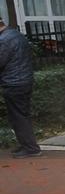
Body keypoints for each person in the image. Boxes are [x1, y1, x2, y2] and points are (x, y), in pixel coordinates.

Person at [0, 18, 41, 158]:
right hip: (23, 80)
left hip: (14, 83)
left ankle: (30, 148)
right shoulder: (15, 34)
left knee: (18, 116)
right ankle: (26, 144)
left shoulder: (4, 40)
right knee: (21, 115)